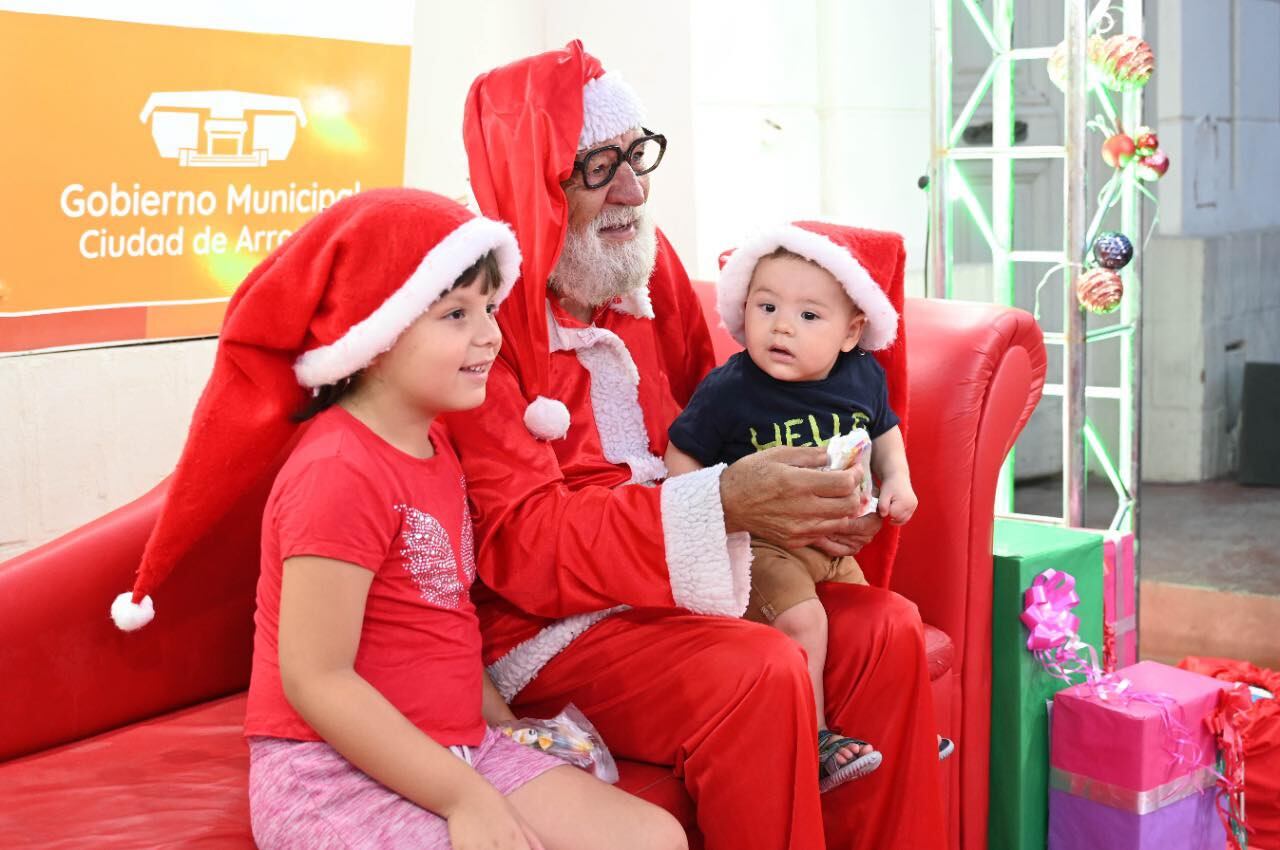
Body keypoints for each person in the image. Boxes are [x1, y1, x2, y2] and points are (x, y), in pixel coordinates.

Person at [447, 42, 947, 848]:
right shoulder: (477, 320)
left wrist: (804, 506)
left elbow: (723, 418)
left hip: (690, 586)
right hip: (550, 628)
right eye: (599, 165)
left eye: (638, 154)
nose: (635, 189)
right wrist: (722, 504)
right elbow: (517, 546)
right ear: (534, 179)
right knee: (760, 672)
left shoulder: (646, 266)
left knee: (885, 626)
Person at [110, 189, 687, 850]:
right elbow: (315, 678)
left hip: (456, 748)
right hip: (327, 772)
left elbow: (440, 618)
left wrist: (502, 732)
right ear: (378, 334)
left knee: (652, 838)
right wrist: (465, 798)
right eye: (455, 314)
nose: (489, 335)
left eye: (490, 308)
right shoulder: (338, 471)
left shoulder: (436, 442)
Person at [666, 223, 955, 792]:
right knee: (806, 621)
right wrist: (703, 519)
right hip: (763, 543)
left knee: (885, 622)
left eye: (808, 316)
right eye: (766, 306)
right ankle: (816, 738)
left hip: (834, 535)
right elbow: (681, 453)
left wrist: (897, 480)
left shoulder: (861, 375)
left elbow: (886, 431)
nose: (780, 326)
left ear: (851, 333)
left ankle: (901, 731)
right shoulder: (730, 389)